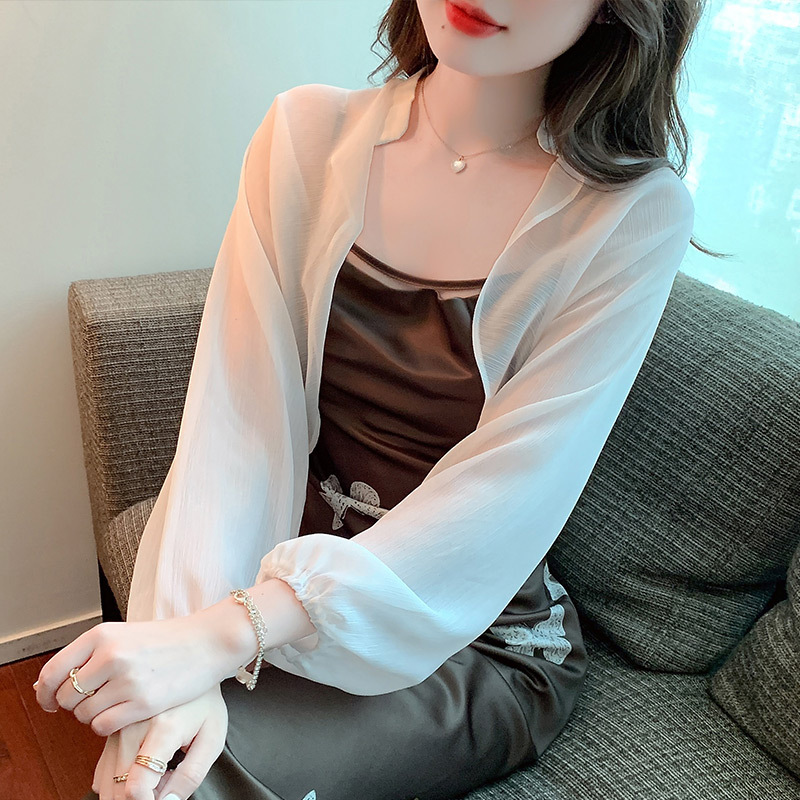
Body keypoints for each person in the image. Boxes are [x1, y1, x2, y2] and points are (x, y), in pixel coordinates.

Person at [33, 1, 709, 799]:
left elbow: (506, 495)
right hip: (275, 574)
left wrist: (224, 635)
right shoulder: (305, 134)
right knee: (151, 741)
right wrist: (180, 644)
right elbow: (234, 422)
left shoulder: (630, 214)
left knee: (183, 778)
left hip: (476, 639)